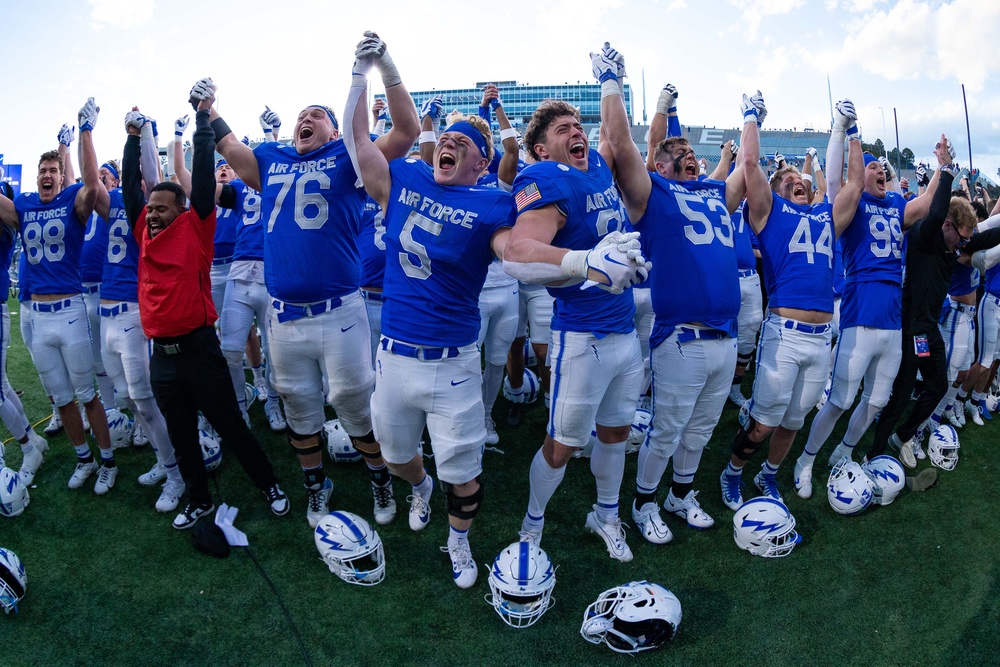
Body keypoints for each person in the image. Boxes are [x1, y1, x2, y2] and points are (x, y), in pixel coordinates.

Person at [205, 32, 420, 528]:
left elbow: (406, 131)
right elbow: (232, 147)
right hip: (283, 318)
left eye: (317, 114)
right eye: (301, 114)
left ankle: (379, 478)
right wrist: (209, 109)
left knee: (353, 404)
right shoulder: (272, 160)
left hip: (339, 312)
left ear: (335, 129)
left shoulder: (348, 158)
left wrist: (383, 67)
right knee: (299, 406)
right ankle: (315, 484)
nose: (305, 119)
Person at [345, 44, 515, 587]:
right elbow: (358, 143)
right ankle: (418, 489)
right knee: (397, 457)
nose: (450, 142)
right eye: (447, 137)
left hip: (454, 361)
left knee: (463, 473)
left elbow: (515, 252)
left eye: (463, 141)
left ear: (480, 163)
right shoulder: (408, 178)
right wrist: (370, 72)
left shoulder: (494, 203)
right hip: (394, 355)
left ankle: (458, 540)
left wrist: (577, 264)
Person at [593, 45, 744, 543]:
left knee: (700, 430)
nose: (687, 156)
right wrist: (611, 83)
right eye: (674, 154)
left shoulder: (714, 191)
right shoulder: (652, 194)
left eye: (689, 153)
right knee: (668, 427)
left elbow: (751, 167)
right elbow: (619, 140)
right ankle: (644, 503)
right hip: (680, 336)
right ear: (657, 164)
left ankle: (680, 496)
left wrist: (750, 120)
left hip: (724, 336)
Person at [121, 83, 288, 530]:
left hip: (198, 349)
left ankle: (269, 482)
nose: (153, 214)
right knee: (181, 434)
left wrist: (201, 117)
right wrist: (133, 136)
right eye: (150, 208)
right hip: (163, 356)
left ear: (184, 210)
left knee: (231, 424)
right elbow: (129, 193)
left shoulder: (196, 228)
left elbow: (200, 163)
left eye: (162, 208)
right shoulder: (143, 232)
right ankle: (197, 499)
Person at [502, 57, 650, 561]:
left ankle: (605, 516)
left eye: (578, 126)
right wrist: (586, 260)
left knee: (614, 435)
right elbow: (518, 254)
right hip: (581, 337)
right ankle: (531, 522)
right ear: (542, 149)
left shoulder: (599, 165)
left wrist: (612, 82)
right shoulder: (547, 174)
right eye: (564, 129)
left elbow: (614, 131)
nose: (577, 132)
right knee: (563, 444)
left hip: (624, 333)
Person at [792, 101, 943, 493]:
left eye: (882, 169)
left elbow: (926, 204)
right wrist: (844, 131)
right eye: (873, 167)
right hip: (860, 312)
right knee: (841, 398)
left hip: (892, 320)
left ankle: (844, 450)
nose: (880, 172)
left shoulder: (895, 203)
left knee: (876, 401)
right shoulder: (853, 203)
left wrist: (943, 166)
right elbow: (839, 182)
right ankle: (806, 461)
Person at [719, 90, 839, 508]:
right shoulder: (769, 214)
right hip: (785, 334)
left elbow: (844, 185)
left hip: (822, 336)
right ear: (772, 194)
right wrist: (751, 116)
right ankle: (732, 471)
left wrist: (844, 132)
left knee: (794, 420)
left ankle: (767, 476)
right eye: (787, 182)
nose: (797, 182)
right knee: (765, 421)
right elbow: (749, 164)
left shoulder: (823, 213)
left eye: (800, 180)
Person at [0, 98, 115, 493]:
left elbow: (91, 184)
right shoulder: (25, 205)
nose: (48, 175)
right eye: (43, 170)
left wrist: (86, 132)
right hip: (37, 314)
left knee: (87, 395)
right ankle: (84, 459)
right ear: (36, 177)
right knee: (62, 399)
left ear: (60, 176)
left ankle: (108, 461)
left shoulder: (72, 201)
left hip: (69, 312)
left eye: (54, 170)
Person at [868, 137, 1000, 464]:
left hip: (929, 329)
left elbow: (987, 234)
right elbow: (938, 207)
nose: (964, 246)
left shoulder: (953, 243)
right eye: (962, 238)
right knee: (898, 397)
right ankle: (875, 452)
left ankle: (903, 436)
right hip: (910, 326)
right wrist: (945, 170)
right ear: (946, 226)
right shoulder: (925, 237)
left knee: (938, 385)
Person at [92, 128, 186, 512]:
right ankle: (166, 462)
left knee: (145, 401)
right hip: (106, 312)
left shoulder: (153, 211)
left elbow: (154, 174)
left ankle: (177, 473)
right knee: (129, 399)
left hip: (133, 309)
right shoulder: (111, 200)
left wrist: (146, 135)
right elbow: (91, 183)